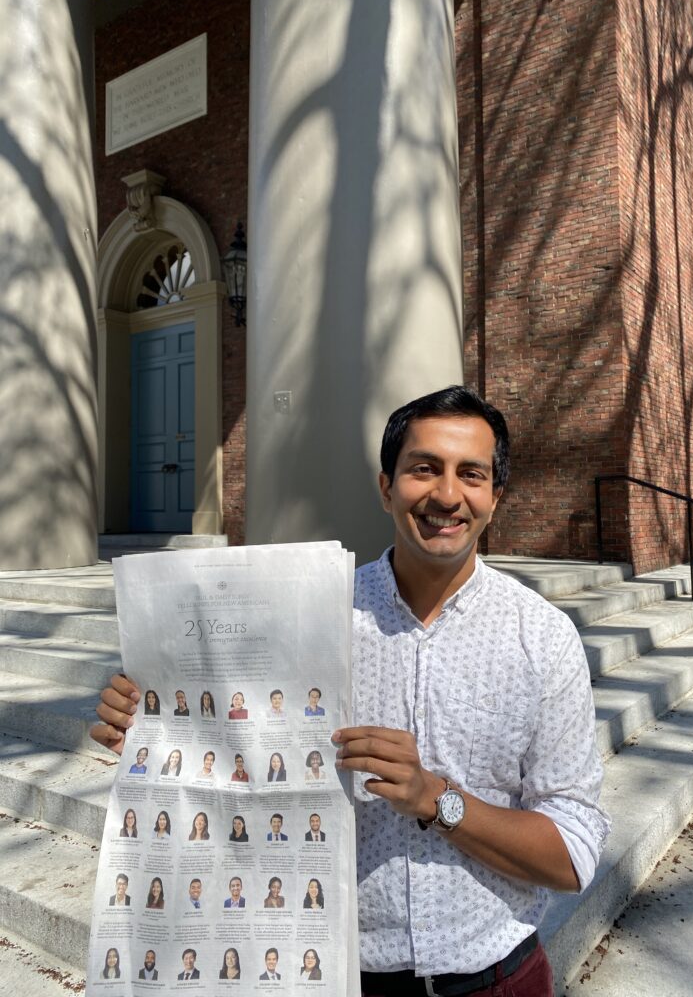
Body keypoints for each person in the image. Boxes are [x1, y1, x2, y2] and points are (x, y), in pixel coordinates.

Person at [91, 386, 609, 997]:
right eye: (423, 469)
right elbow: (233, 748)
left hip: (497, 976)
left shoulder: (542, 637)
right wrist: (153, 721)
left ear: (495, 496)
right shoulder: (308, 618)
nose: (446, 494)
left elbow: (573, 852)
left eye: (471, 474)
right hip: (337, 976)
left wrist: (435, 799)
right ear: (387, 486)